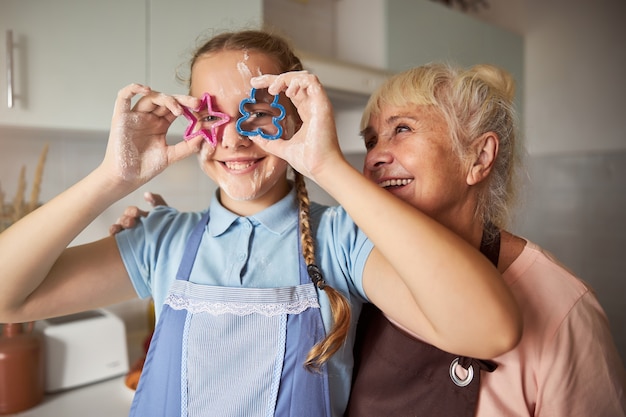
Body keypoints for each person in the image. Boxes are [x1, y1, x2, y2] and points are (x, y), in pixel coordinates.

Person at [0, 30, 522, 417]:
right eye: (212, 117)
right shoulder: (161, 241)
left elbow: (490, 329)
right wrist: (114, 177)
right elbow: (8, 297)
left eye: (258, 112)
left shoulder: (340, 240)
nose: (232, 140)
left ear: (296, 118)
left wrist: (326, 165)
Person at [117, 62, 626, 417]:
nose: (377, 156)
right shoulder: (358, 260)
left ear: (479, 157)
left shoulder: (566, 311)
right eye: (370, 140)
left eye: (402, 130)